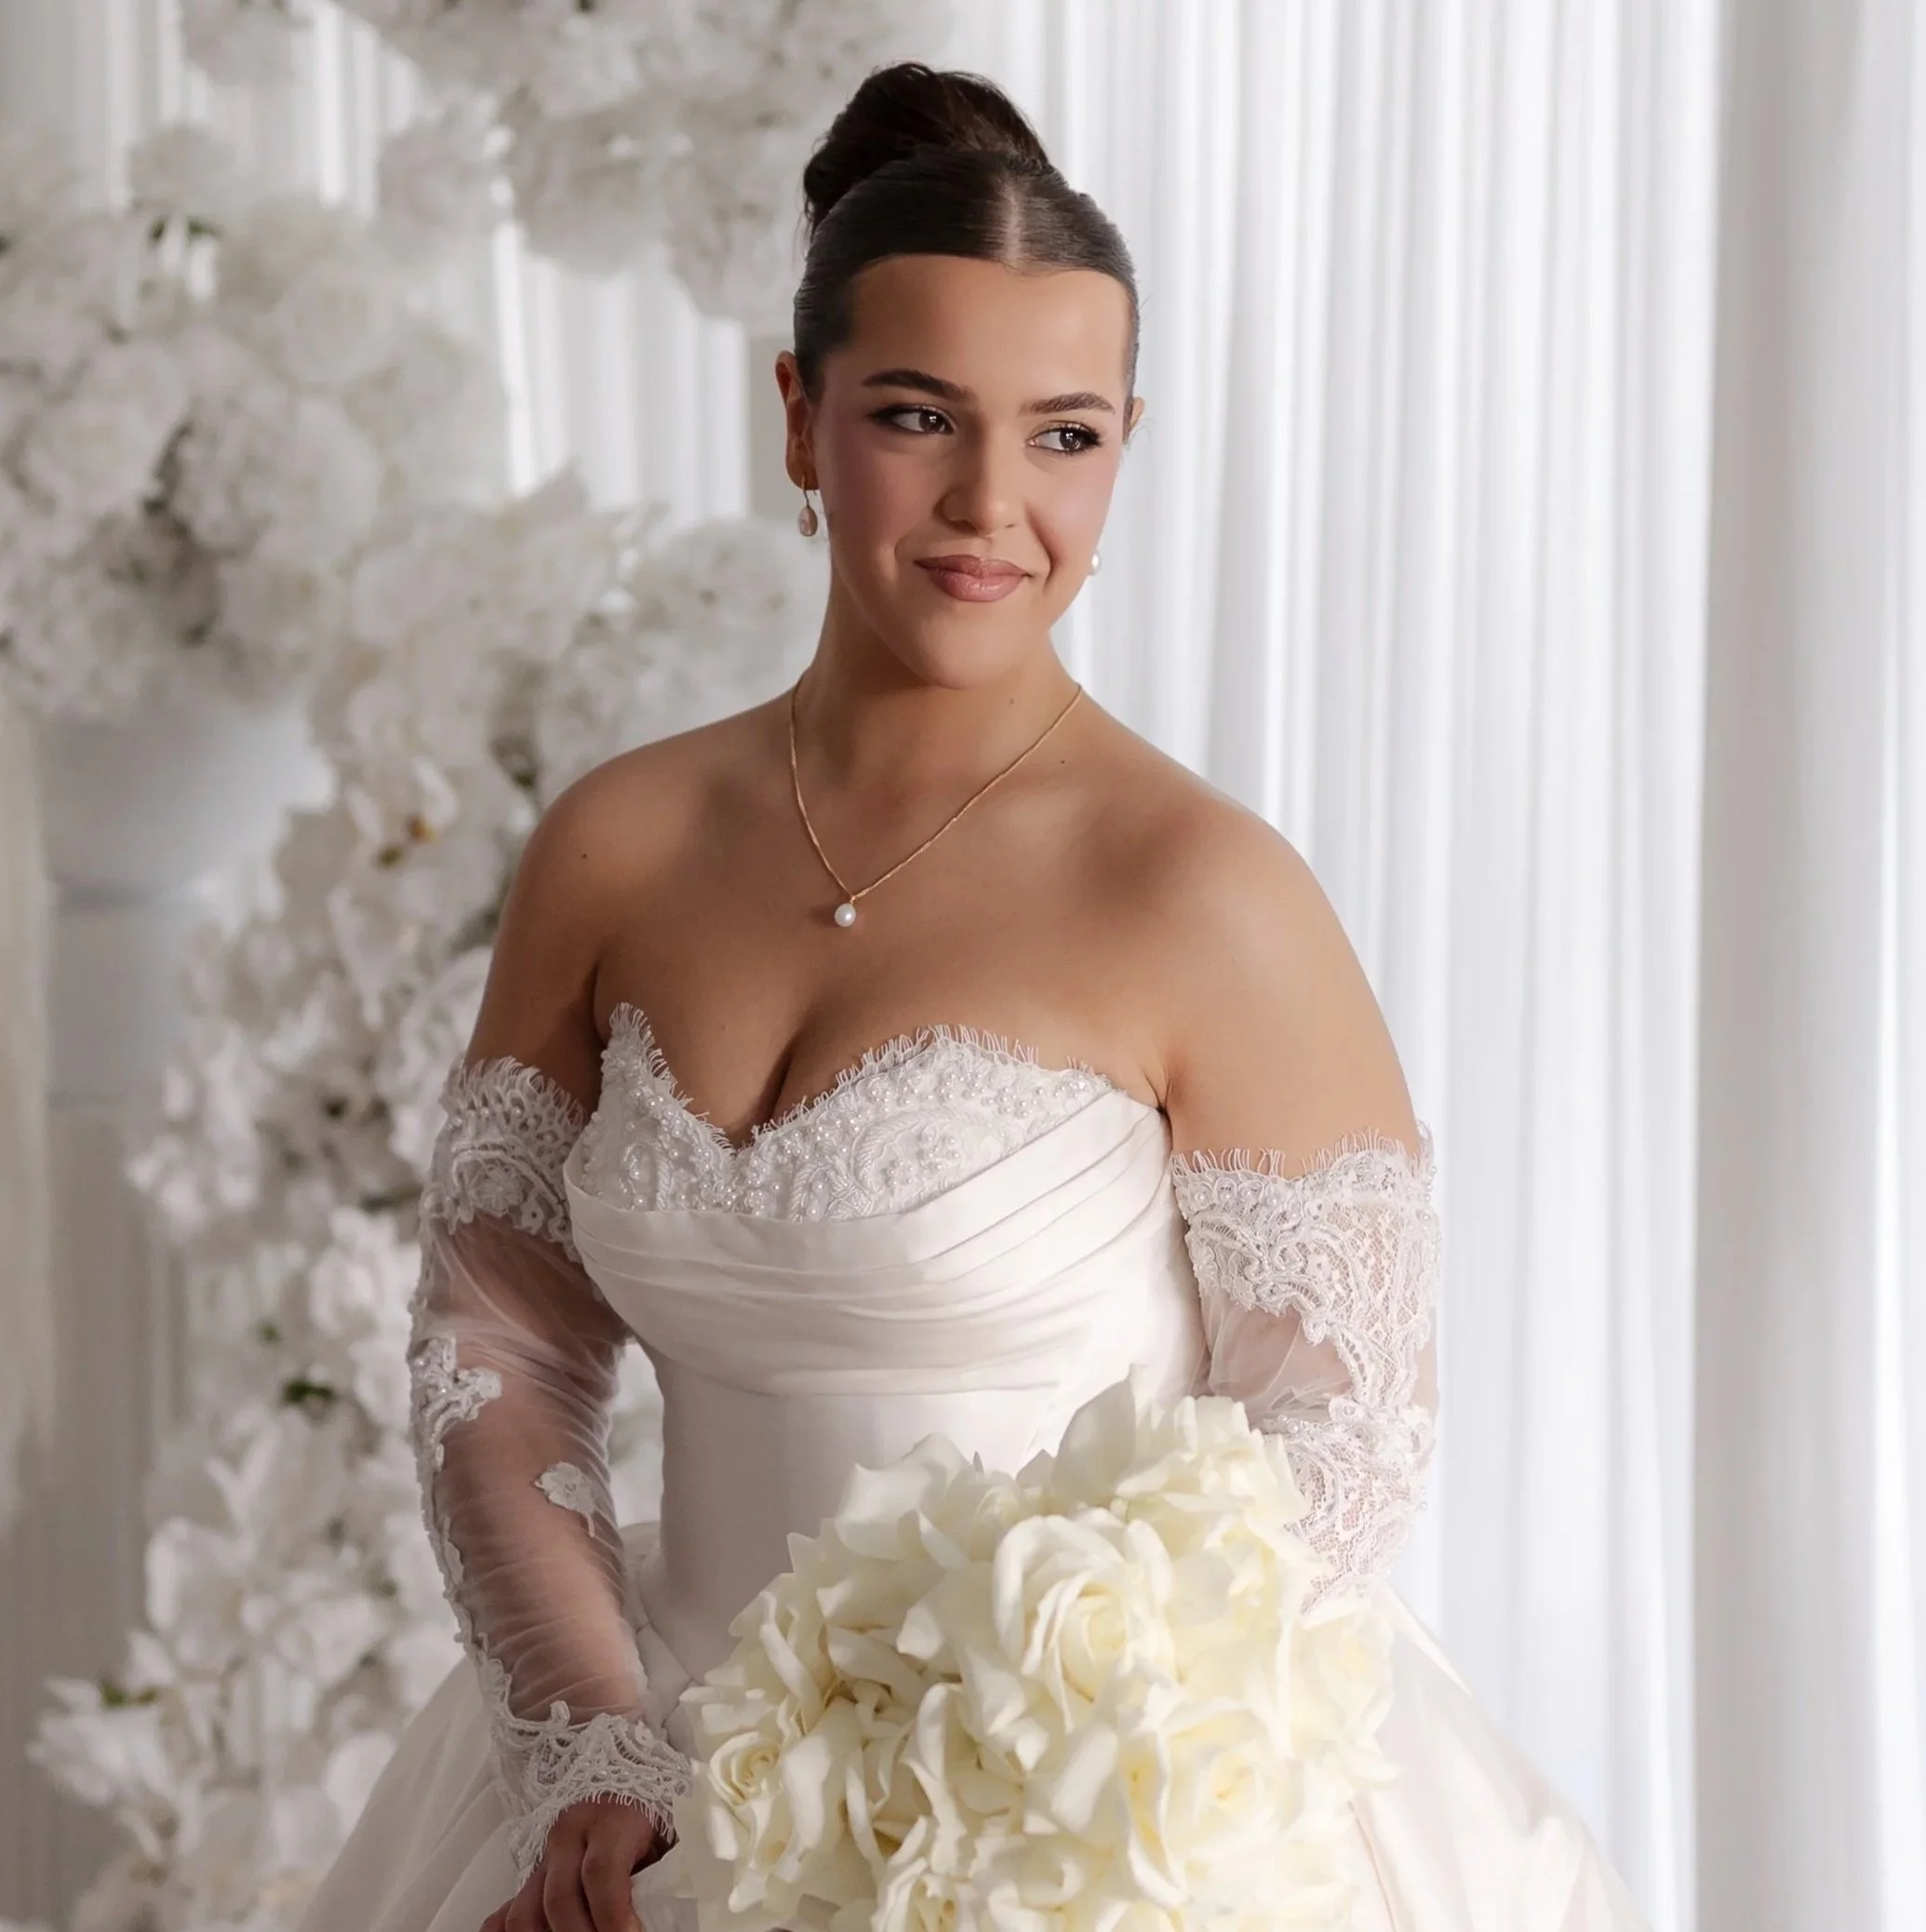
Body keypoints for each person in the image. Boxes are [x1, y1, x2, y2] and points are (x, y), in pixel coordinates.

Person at [295, 60, 1652, 1932]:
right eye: (919, 418)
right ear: (800, 416)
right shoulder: (615, 847)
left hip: (1077, 1809)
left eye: (1067, 435)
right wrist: (592, 1754)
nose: (991, 507)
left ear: (1126, 441)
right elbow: (502, 1351)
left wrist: (1032, 1773)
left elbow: (1341, 1429)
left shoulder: (1200, 890)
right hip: (633, 1778)